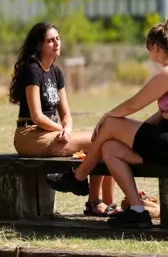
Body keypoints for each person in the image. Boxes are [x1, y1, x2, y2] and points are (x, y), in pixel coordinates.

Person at [45, 18, 168, 229]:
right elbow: (163, 113)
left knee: (110, 124)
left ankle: (78, 177)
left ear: (156, 47)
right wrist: (137, 135)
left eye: (149, 48)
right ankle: (137, 210)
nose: (148, 53)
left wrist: (107, 116)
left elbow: (133, 104)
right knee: (109, 148)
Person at [10, 22, 121, 217]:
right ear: (39, 45)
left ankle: (106, 202)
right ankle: (94, 202)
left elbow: (66, 114)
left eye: (57, 39)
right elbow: (37, 116)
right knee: (101, 141)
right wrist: (59, 129)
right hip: (30, 135)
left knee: (106, 141)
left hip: (52, 133)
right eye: (50, 40)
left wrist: (67, 128)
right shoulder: (32, 70)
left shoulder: (56, 72)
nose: (56, 43)